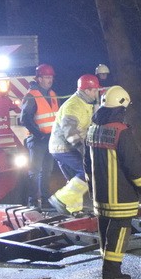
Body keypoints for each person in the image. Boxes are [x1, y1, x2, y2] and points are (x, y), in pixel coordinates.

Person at [85, 85, 141, 279]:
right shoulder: (121, 132)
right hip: (121, 196)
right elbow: (133, 164)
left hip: (101, 196)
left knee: (105, 226)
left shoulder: (93, 130)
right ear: (120, 109)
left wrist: (91, 186)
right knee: (120, 230)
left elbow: (86, 164)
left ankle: (106, 267)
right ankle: (112, 273)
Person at [46, 74, 101, 215]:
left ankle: (73, 209)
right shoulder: (74, 105)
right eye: (94, 90)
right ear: (87, 90)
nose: (96, 93)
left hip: (62, 147)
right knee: (87, 172)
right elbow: (70, 132)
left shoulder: (84, 103)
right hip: (64, 148)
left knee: (75, 180)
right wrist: (85, 151)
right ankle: (60, 199)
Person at [19, 63, 59, 208]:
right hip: (37, 140)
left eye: (51, 77)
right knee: (35, 172)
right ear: (39, 79)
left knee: (47, 171)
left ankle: (45, 199)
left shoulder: (53, 94)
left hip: (50, 139)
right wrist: (38, 134)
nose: (50, 80)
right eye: (47, 77)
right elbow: (25, 119)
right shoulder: (31, 96)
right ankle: (33, 201)